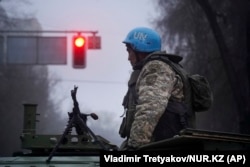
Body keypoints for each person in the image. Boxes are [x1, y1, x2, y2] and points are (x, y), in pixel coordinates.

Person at [119, 27, 195, 150]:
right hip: (162, 145)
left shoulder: (156, 68)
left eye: (129, 51)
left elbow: (150, 109)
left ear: (140, 49)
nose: (128, 57)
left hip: (164, 147)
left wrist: (134, 146)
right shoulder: (153, 68)